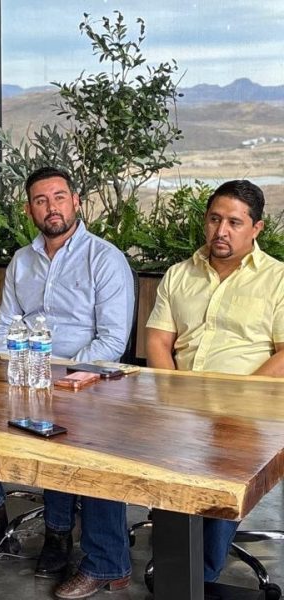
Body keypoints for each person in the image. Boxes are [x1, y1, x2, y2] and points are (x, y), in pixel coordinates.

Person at [0, 166, 135, 599]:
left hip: (88, 382)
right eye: (41, 200)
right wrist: (22, 370)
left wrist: (58, 377)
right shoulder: (21, 261)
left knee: (82, 440)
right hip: (27, 373)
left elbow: (112, 341)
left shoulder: (104, 258)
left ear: (76, 202)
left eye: (59, 197)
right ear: (29, 210)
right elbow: (3, 329)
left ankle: (67, 538)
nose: (52, 207)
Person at [146, 179, 284, 582]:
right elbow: (158, 340)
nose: (221, 231)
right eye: (214, 219)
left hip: (250, 411)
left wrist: (238, 401)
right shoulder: (179, 275)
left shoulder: (277, 279)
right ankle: (175, 560)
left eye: (234, 223)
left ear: (256, 228)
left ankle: (198, 574)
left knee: (222, 454)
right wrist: (174, 395)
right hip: (183, 404)